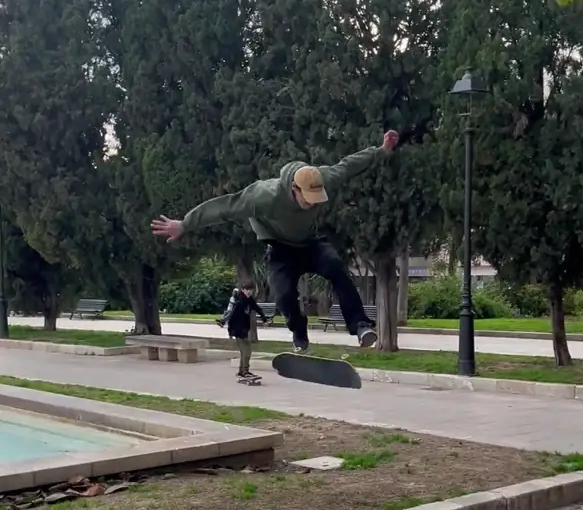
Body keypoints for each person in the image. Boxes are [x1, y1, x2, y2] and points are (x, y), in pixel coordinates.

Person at [151, 130, 400, 352]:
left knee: (336, 268)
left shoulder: (321, 177)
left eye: (315, 199)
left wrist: (381, 150)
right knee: (283, 295)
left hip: (311, 244)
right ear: (294, 189)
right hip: (280, 249)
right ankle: (299, 332)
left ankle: (360, 325)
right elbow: (225, 207)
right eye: (307, 199)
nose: (311, 204)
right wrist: (184, 224)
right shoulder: (264, 196)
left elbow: (348, 166)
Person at [217, 281, 268, 382]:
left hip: (244, 329)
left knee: (244, 352)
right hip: (237, 330)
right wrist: (228, 328)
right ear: (243, 290)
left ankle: (242, 371)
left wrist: (264, 319)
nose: (249, 292)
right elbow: (231, 314)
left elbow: (257, 308)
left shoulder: (249, 299)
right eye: (247, 290)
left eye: (250, 290)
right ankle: (245, 372)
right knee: (247, 352)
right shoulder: (240, 301)